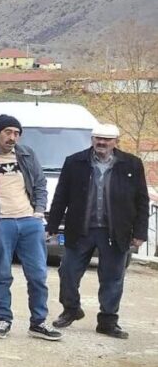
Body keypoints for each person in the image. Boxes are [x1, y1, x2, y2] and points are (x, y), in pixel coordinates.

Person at [48, 123, 148, 339]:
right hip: (81, 229)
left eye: (107, 139)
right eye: (97, 138)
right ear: (92, 139)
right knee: (68, 272)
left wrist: (140, 232)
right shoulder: (75, 162)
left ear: (116, 142)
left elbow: (142, 200)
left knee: (112, 278)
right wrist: (52, 226)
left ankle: (108, 321)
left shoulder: (132, 164)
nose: (101, 143)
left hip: (116, 231)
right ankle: (71, 309)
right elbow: (60, 196)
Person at [0, 115, 61, 341]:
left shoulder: (26, 154)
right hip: (0, 222)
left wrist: (39, 211)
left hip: (29, 221)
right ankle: (3, 319)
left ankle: (38, 322)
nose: (12, 137)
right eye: (8, 132)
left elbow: (40, 183)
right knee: (2, 274)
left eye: (16, 133)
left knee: (37, 274)